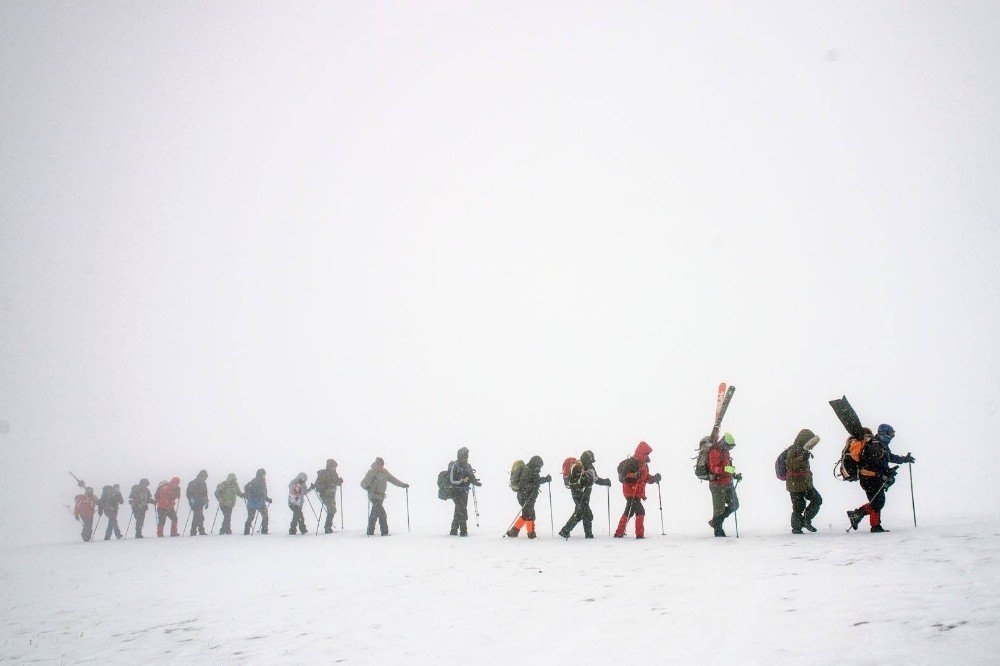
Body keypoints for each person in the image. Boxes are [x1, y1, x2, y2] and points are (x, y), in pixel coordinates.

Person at [847, 424, 915, 533]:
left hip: (873, 478)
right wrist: (881, 474)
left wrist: (904, 459)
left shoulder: (880, 445)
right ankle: (871, 524)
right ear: (884, 434)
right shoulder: (874, 446)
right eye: (891, 434)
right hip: (869, 479)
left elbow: (889, 457)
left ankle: (860, 517)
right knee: (877, 502)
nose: (892, 437)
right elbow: (868, 466)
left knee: (878, 502)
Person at [559, 450, 612, 539]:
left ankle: (565, 531)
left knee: (580, 513)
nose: (591, 463)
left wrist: (605, 482)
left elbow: (596, 479)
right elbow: (574, 485)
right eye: (590, 461)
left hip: (585, 494)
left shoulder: (589, 467)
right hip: (579, 495)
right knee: (587, 514)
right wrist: (584, 483)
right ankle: (588, 534)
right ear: (586, 459)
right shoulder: (577, 467)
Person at [614, 441, 660, 539]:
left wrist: (654, 478)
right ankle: (639, 535)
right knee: (640, 511)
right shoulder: (632, 462)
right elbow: (626, 476)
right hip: (631, 491)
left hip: (637, 492)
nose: (647, 455)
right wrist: (635, 475)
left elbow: (645, 477)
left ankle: (619, 533)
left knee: (629, 512)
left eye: (647, 453)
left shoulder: (643, 464)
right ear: (641, 452)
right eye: (646, 453)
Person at [783, 429, 822, 534]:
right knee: (798, 507)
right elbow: (790, 466)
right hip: (795, 484)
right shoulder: (793, 449)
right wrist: (802, 458)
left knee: (817, 500)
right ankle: (796, 528)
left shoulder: (804, 450)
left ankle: (806, 520)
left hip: (805, 483)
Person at [360, 457, 408, 536]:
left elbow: (393, 480)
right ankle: (384, 532)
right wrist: (366, 487)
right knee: (382, 514)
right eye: (379, 465)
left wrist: (403, 485)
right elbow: (363, 483)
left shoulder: (384, 472)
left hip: (381, 497)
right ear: (376, 464)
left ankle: (370, 532)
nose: (381, 466)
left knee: (374, 514)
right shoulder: (372, 472)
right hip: (373, 495)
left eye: (382, 465)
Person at [506, 456, 549, 539]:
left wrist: (546, 479)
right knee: (530, 514)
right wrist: (531, 487)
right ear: (535, 463)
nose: (540, 467)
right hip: (525, 496)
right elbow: (523, 485)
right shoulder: (527, 470)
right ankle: (531, 534)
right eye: (539, 465)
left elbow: (536, 480)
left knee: (526, 514)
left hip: (528, 496)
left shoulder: (533, 471)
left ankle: (514, 532)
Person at [707, 433, 740, 537]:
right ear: (724, 443)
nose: (729, 449)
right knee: (719, 509)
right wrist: (725, 470)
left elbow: (727, 466)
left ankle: (716, 522)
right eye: (729, 446)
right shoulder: (715, 451)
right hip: (717, 484)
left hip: (728, 483)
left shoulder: (725, 451)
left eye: (731, 447)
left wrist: (734, 475)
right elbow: (713, 469)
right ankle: (718, 531)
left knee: (734, 505)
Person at [447, 447, 481, 536]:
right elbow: (451, 480)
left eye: (467, 456)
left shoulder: (468, 466)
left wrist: (475, 482)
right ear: (460, 456)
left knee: (459, 510)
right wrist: (462, 481)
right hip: (456, 491)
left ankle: (454, 530)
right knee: (461, 509)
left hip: (465, 492)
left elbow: (471, 476)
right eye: (464, 456)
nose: (466, 458)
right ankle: (463, 531)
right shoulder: (455, 466)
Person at [314, 459, 343, 534]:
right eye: (333, 466)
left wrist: (339, 482)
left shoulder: (334, 474)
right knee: (332, 509)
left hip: (332, 494)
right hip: (325, 494)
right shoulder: (323, 474)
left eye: (335, 467)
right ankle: (327, 527)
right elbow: (317, 485)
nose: (334, 468)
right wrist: (324, 487)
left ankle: (328, 527)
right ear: (329, 466)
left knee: (332, 510)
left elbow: (336, 483)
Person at [244, 468, 272, 535]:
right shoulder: (259, 482)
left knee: (251, 517)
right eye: (263, 475)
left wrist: (267, 499)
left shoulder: (253, 482)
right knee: (265, 516)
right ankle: (264, 531)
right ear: (260, 474)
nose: (264, 476)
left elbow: (246, 488)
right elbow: (263, 493)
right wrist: (267, 499)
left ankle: (246, 531)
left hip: (252, 503)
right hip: (259, 503)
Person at [186, 470, 209, 536]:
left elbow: (205, 494)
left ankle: (195, 531)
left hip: (200, 502)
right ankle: (198, 531)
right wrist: (191, 499)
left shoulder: (203, 483)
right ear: (202, 476)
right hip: (194, 502)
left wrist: (206, 501)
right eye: (205, 477)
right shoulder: (193, 483)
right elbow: (188, 493)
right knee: (199, 516)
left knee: (197, 516)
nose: (205, 479)